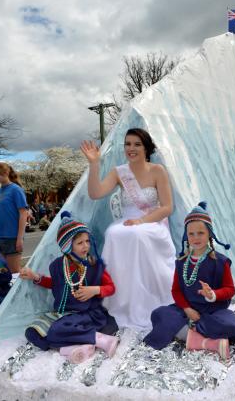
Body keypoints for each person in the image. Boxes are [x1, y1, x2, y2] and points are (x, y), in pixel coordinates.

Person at [81, 128, 176, 330]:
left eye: (136, 144)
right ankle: (120, 298)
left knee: (137, 234)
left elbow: (167, 207)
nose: (131, 148)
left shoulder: (157, 170)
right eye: (127, 144)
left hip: (152, 222)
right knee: (113, 233)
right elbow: (95, 193)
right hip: (126, 222)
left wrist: (142, 221)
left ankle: (149, 299)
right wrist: (94, 164)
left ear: (146, 147)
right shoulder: (119, 172)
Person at [143, 202, 235, 361]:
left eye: (201, 233)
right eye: (191, 234)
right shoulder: (181, 262)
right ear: (186, 236)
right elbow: (176, 291)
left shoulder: (220, 262)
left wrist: (212, 294)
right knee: (160, 315)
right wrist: (186, 309)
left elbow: (230, 289)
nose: (196, 237)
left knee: (231, 325)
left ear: (209, 234)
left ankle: (192, 335)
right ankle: (206, 341)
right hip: (186, 311)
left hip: (212, 312)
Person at [20, 212, 119, 364]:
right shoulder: (58, 265)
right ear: (67, 246)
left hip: (86, 313)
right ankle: (77, 346)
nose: (85, 246)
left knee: (56, 330)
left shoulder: (93, 265)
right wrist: (35, 277)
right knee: (32, 333)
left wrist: (94, 290)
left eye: (87, 241)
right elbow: (57, 284)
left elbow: (111, 288)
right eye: (80, 243)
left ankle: (103, 340)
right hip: (63, 313)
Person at [0, 163, 28, 273]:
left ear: (6, 173)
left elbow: (23, 214)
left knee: (14, 273)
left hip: (12, 238)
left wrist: (19, 238)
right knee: (1, 272)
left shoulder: (16, 190)